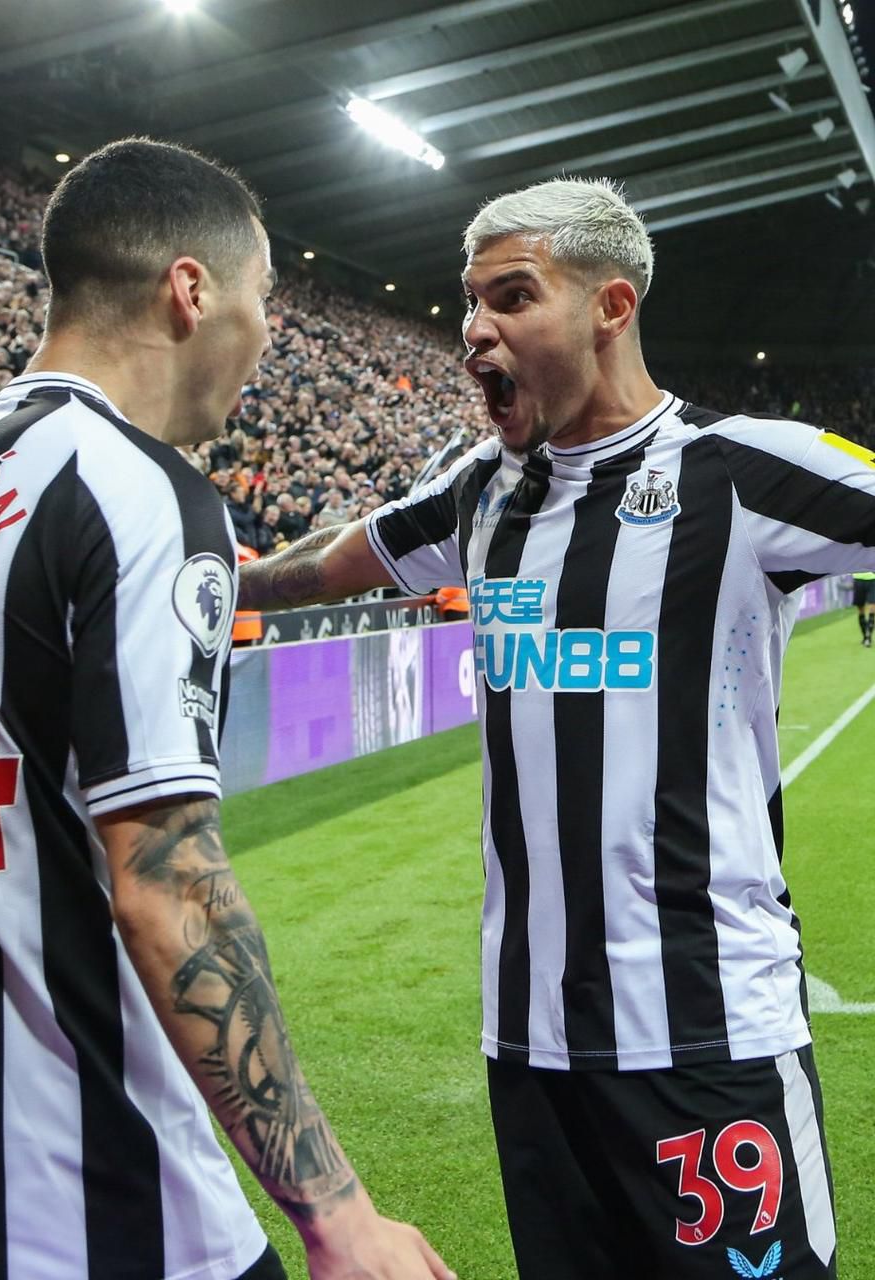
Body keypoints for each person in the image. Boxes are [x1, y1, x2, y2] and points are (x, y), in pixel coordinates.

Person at [239, 177, 875, 1280]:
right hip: (531, 1045)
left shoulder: (744, 470)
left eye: (512, 296)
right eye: (468, 302)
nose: (476, 328)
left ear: (610, 306)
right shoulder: (478, 490)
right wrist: (192, 578)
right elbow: (317, 566)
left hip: (706, 1034)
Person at [0, 138, 453, 1280]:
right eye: (265, 296)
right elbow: (164, 874)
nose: (269, 333)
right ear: (191, 289)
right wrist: (336, 1212)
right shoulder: (137, 490)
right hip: (85, 1186)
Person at [851, 570, 875, 645]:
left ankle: (868, 638)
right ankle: (865, 636)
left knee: (872, 609)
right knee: (861, 610)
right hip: (858, 580)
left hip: (872, 580)